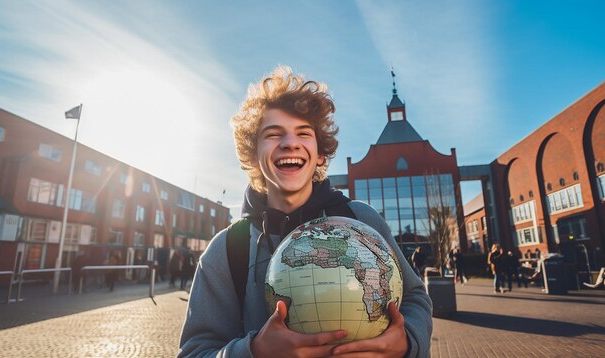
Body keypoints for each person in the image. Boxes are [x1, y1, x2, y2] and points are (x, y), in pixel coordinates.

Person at [178, 66, 432, 357]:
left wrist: (408, 341)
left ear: (320, 152)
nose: (290, 143)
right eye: (273, 134)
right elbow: (194, 352)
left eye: (303, 133)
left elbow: (414, 297)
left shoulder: (362, 221)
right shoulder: (226, 251)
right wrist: (255, 351)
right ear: (253, 154)